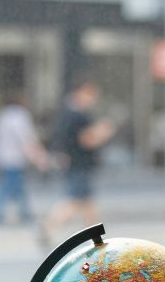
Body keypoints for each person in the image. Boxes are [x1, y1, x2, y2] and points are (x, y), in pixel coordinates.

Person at [42, 77, 115, 244]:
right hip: (80, 163)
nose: (93, 98)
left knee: (87, 203)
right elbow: (87, 140)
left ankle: (96, 239)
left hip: (74, 162)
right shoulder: (78, 115)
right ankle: (47, 227)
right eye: (91, 94)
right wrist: (103, 132)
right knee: (74, 201)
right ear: (81, 91)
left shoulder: (66, 111)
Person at [0, 89, 49, 225]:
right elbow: (26, 138)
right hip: (15, 157)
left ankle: (24, 213)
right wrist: (38, 157)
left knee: (17, 186)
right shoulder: (21, 116)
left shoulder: (1, 115)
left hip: (3, 156)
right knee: (7, 186)